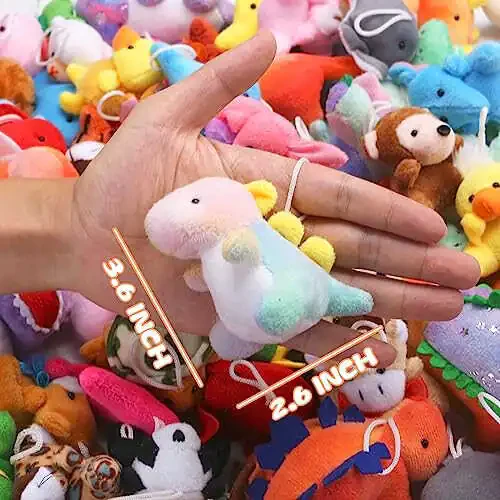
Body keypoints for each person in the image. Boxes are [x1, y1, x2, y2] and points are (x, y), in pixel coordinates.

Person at [0, 32, 479, 365]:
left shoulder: (242, 238)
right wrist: (78, 227)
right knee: (241, 323)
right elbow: (201, 275)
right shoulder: (209, 249)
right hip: (243, 312)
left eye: (194, 205)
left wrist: (74, 226)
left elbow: (241, 257)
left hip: (285, 298)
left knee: (282, 307)